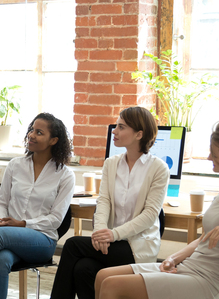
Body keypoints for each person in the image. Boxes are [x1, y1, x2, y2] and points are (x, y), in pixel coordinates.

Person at [94, 121, 219, 299]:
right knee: (103, 276)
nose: (209, 157)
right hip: (190, 267)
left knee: (113, 285)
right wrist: (173, 258)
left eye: (214, 155)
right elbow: (207, 237)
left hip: (210, 281)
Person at [50, 106, 169, 299]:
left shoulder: (159, 168)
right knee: (82, 268)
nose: (114, 131)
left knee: (72, 245)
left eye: (121, 127)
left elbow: (149, 216)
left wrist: (112, 235)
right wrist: (100, 234)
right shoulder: (111, 163)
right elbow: (103, 202)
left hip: (138, 246)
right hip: (110, 242)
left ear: (139, 134)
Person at [0, 113, 74, 299]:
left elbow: (55, 220)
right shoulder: (15, 165)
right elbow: (1, 203)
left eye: (39, 132)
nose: (31, 135)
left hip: (43, 241)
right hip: (9, 235)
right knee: (0, 260)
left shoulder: (65, 175)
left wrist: (22, 224)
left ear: (53, 140)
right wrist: (4, 222)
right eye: (31, 130)